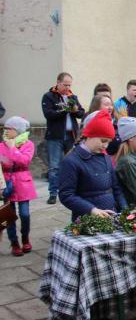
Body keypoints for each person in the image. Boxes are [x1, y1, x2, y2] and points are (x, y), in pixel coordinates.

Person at [58, 109, 125, 222]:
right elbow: (66, 195)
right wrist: (92, 210)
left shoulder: (106, 158)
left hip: (111, 216)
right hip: (87, 220)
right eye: (103, 141)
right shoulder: (71, 161)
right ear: (90, 135)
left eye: (108, 142)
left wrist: (125, 209)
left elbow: (116, 188)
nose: (106, 146)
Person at [41, 72, 85, 204]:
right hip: (55, 136)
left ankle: (71, 191)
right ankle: (53, 193)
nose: (68, 87)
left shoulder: (73, 96)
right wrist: (66, 110)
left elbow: (81, 113)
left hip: (71, 136)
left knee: (73, 164)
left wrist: (75, 111)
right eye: (65, 85)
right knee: (54, 166)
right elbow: (48, 114)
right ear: (58, 83)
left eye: (69, 85)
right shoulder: (49, 96)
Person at [1, 116, 37, 256]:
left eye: (9, 128)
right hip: (7, 185)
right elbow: (3, 164)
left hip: (23, 183)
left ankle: (25, 238)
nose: (6, 131)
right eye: (5, 128)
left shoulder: (28, 144)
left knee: (25, 214)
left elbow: (24, 161)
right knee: (9, 216)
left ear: (18, 130)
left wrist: (12, 149)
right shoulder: (1, 145)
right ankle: (14, 243)